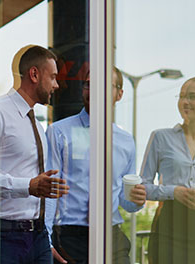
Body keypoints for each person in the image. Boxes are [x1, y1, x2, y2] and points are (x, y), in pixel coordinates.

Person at [0, 45, 68, 264]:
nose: (56, 85)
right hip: (2, 236)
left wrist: (47, 238)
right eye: (53, 77)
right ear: (34, 74)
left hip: (38, 237)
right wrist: (28, 186)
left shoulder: (38, 127)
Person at [49, 68, 146, 264]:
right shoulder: (59, 132)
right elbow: (48, 192)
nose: (94, 90)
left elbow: (124, 200)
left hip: (112, 235)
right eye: (89, 84)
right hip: (71, 236)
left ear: (119, 94)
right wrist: (46, 239)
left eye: (104, 85)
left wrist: (137, 200)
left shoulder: (126, 141)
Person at [140, 76, 195, 264]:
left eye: (192, 96)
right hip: (168, 224)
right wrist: (174, 192)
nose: (185, 102)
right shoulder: (160, 137)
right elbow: (142, 187)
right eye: (182, 96)